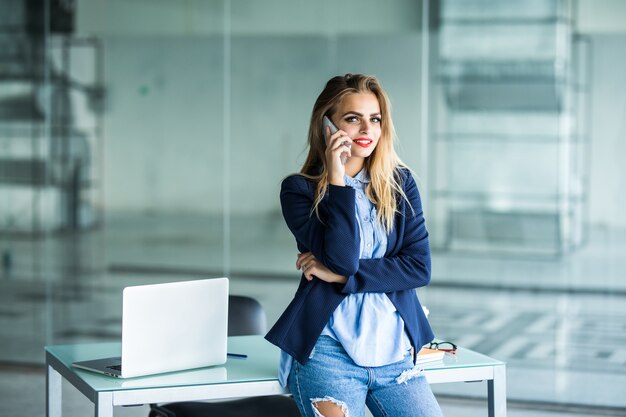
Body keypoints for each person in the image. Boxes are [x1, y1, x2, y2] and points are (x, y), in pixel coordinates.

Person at [265, 74, 443, 417]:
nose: (366, 129)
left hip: (395, 353)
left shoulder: (399, 184)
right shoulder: (299, 191)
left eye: (374, 119)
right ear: (327, 125)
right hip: (328, 352)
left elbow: (419, 268)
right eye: (352, 118)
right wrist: (337, 179)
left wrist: (342, 278)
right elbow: (343, 258)